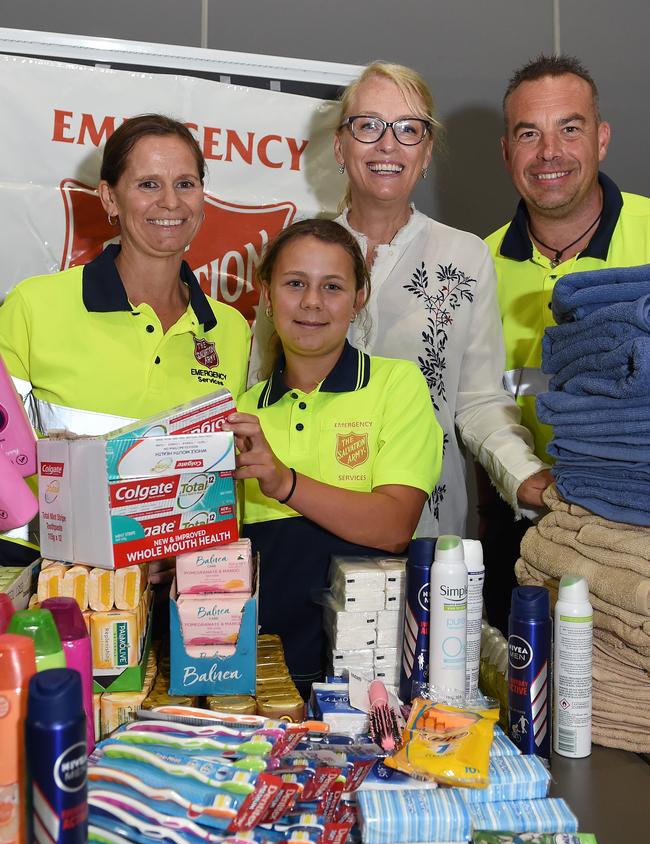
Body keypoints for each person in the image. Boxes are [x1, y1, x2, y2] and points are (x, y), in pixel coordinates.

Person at [0, 113, 250, 565]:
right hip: (47, 576)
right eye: (148, 184)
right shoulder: (35, 306)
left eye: (186, 183)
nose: (171, 202)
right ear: (110, 199)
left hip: (176, 583)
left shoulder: (230, 330)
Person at [332, 61, 551, 540]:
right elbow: (262, 385)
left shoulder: (464, 255)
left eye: (409, 129)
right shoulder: (296, 250)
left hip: (428, 531)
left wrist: (529, 481)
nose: (388, 144)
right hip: (309, 517)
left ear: (427, 152)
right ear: (339, 144)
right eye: (368, 125)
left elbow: (479, 401)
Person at [223, 219, 442, 696]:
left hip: (371, 680)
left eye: (333, 287)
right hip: (265, 674)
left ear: (359, 298)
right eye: (295, 283)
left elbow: (393, 526)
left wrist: (285, 483)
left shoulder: (396, 386)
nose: (312, 303)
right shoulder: (240, 412)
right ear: (266, 293)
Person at [483, 54, 650, 630]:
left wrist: (563, 385)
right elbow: (482, 392)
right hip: (528, 518)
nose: (549, 152)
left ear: (601, 139)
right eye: (530, 133)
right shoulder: (476, 264)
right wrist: (570, 385)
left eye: (569, 128)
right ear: (507, 151)